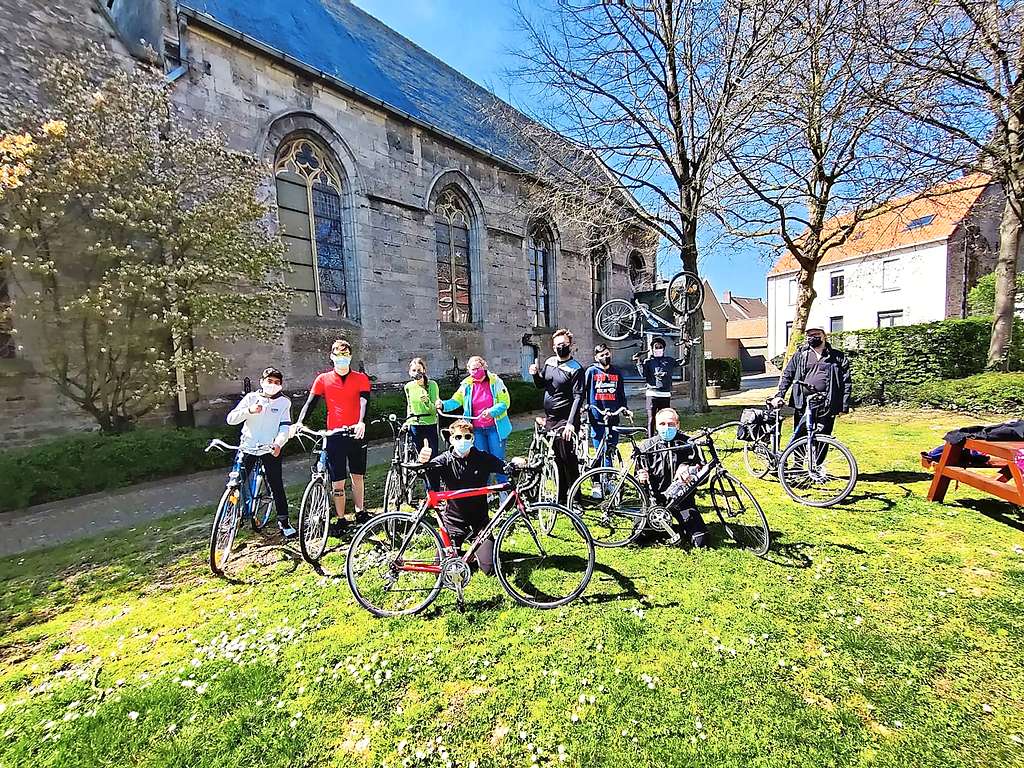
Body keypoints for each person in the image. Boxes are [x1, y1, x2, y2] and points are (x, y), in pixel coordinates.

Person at [416, 419, 524, 575]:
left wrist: (516, 464)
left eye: (467, 437)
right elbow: (425, 475)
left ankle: (473, 554)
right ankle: (463, 554)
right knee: (440, 571)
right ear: (451, 440)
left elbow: (503, 467)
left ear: (472, 439)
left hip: (480, 523)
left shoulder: (482, 457)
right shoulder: (444, 460)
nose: (463, 441)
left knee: (490, 568)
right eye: (458, 437)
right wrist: (422, 462)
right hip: (453, 522)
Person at [296, 338, 371, 536]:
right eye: (338, 356)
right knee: (338, 480)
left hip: (356, 432)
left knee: (357, 475)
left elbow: (364, 401)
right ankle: (340, 517)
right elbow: (310, 403)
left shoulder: (361, 378)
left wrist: (361, 421)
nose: (342, 359)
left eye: (345, 356)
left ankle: (360, 511)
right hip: (334, 434)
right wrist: (300, 422)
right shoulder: (323, 379)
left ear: (351, 357)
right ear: (331, 357)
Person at [225, 367, 295, 538]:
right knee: (236, 483)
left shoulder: (284, 402)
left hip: (269, 449)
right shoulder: (251, 398)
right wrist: (249, 411)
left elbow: (285, 426)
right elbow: (231, 419)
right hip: (248, 447)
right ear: (262, 382)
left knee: (276, 485)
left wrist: (279, 443)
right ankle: (230, 518)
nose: (272, 385)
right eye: (269, 381)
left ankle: (284, 522)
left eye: (277, 382)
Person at [772, 327, 852, 456]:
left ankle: (817, 468)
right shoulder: (800, 355)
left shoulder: (837, 357)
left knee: (823, 434)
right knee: (800, 434)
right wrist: (780, 394)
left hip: (827, 402)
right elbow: (788, 375)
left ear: (824, 336)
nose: (812, 337)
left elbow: (846, 382)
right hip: (803, 403)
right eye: (809, 335)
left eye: (816, 334)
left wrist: (844, 405)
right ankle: (797, 466)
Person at [635, 407, 708, 548]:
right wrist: (641, 477)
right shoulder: (646, 447)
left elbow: (703, 476)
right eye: (662, 424)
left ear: (678, 425)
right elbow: (637, 480)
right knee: (638, 537)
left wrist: (688, 469)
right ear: (656, 425)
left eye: (671, 424)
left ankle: (678, 529)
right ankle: (665, 529)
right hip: (655, 501)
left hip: (683, 500)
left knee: (701, 541)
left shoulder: (689, 444)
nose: (666, 428)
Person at [436, 355, 512, 484]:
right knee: (480, 461)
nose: (475, 371)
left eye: (478, 368)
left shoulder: (496, 381)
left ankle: (504, 490)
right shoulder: (466, 385)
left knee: (498, 460)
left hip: (495, 428)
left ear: (484, 366)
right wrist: (443, 405)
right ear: (468, 370)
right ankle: (485, 491)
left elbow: (505, 403)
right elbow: (456, 401)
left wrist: (491, 411)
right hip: (476, 430)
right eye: (472, 369)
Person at [530, 328, 585, 504]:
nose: (561, 347)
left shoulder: (576, 369)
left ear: (571, 346)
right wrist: (535, 374)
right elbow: (542, 385)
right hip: (551, 419)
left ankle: (576, 498)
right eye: (558, 345)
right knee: (556, 458)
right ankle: (561, 497)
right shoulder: (550, 363)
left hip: (566, 419)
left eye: (564, 345)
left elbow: (578, 397)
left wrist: (570, 423)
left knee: (568, 458)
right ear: (553, 347)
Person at [584, 343, 627, 468]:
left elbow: (621, 393)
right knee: (599, 451)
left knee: (610, 449)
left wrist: (624, 408)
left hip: (613, 416)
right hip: (597, 417)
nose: (605, 357)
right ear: (596, 357)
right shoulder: (591, 371)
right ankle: (599, 478)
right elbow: (583, 391)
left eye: (607, 354)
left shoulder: (617, 372)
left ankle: (609, 476)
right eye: (602, 355)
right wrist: (583, 407)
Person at [636, 337, 680, 437]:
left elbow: (682, 362)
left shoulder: (669, 360)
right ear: (652, 348)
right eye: (656, 347)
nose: (658, 349)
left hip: (665, 394)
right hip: (652, 394)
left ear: (664, 349)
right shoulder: (648, 361)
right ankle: (650, 439)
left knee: (665, 418)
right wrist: (638, 361)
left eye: (660, 347)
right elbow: (643, 374)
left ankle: (664, 437)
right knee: (651, 418)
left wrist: (687, 349)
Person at [404, 357, 440, 458]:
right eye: (414, 370)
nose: (416, 373)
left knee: (432, 453)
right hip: (415, 423)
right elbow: (409, 405)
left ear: (424, 370)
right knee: (417, 453)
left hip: (430, 422)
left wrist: (427, 402)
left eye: (419, 370)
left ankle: (433, 473)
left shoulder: (432, 385)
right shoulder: (408, 386)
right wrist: (407, 422)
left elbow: (435, 409)